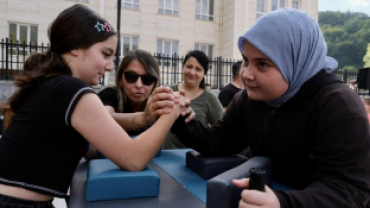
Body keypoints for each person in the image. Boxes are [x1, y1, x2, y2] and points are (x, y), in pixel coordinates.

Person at [170, 8, 370, 208]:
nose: (246, 74)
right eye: (246, 61)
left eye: (263, 64)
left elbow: (348, 191)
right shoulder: (249, 100)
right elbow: (218, 142)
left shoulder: (339, 108)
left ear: (295, 61)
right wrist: (179, 119)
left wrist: (283, 203)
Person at [0, 5, 191, 208]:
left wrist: (144, 118)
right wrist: (172, 111)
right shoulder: (70, 88)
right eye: (105, 54)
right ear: (76, 47)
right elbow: (133, 158)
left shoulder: (54, 85)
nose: (110, 66)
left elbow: (99, 125)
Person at [162, 50, 223, 149]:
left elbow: (222, 131)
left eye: (198, 69)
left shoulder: (210, 99)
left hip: (193, 160)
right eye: (189, 67)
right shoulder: (169, 91)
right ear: (183, 66)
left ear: (204, 73)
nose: (192, 72)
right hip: (164, 158)